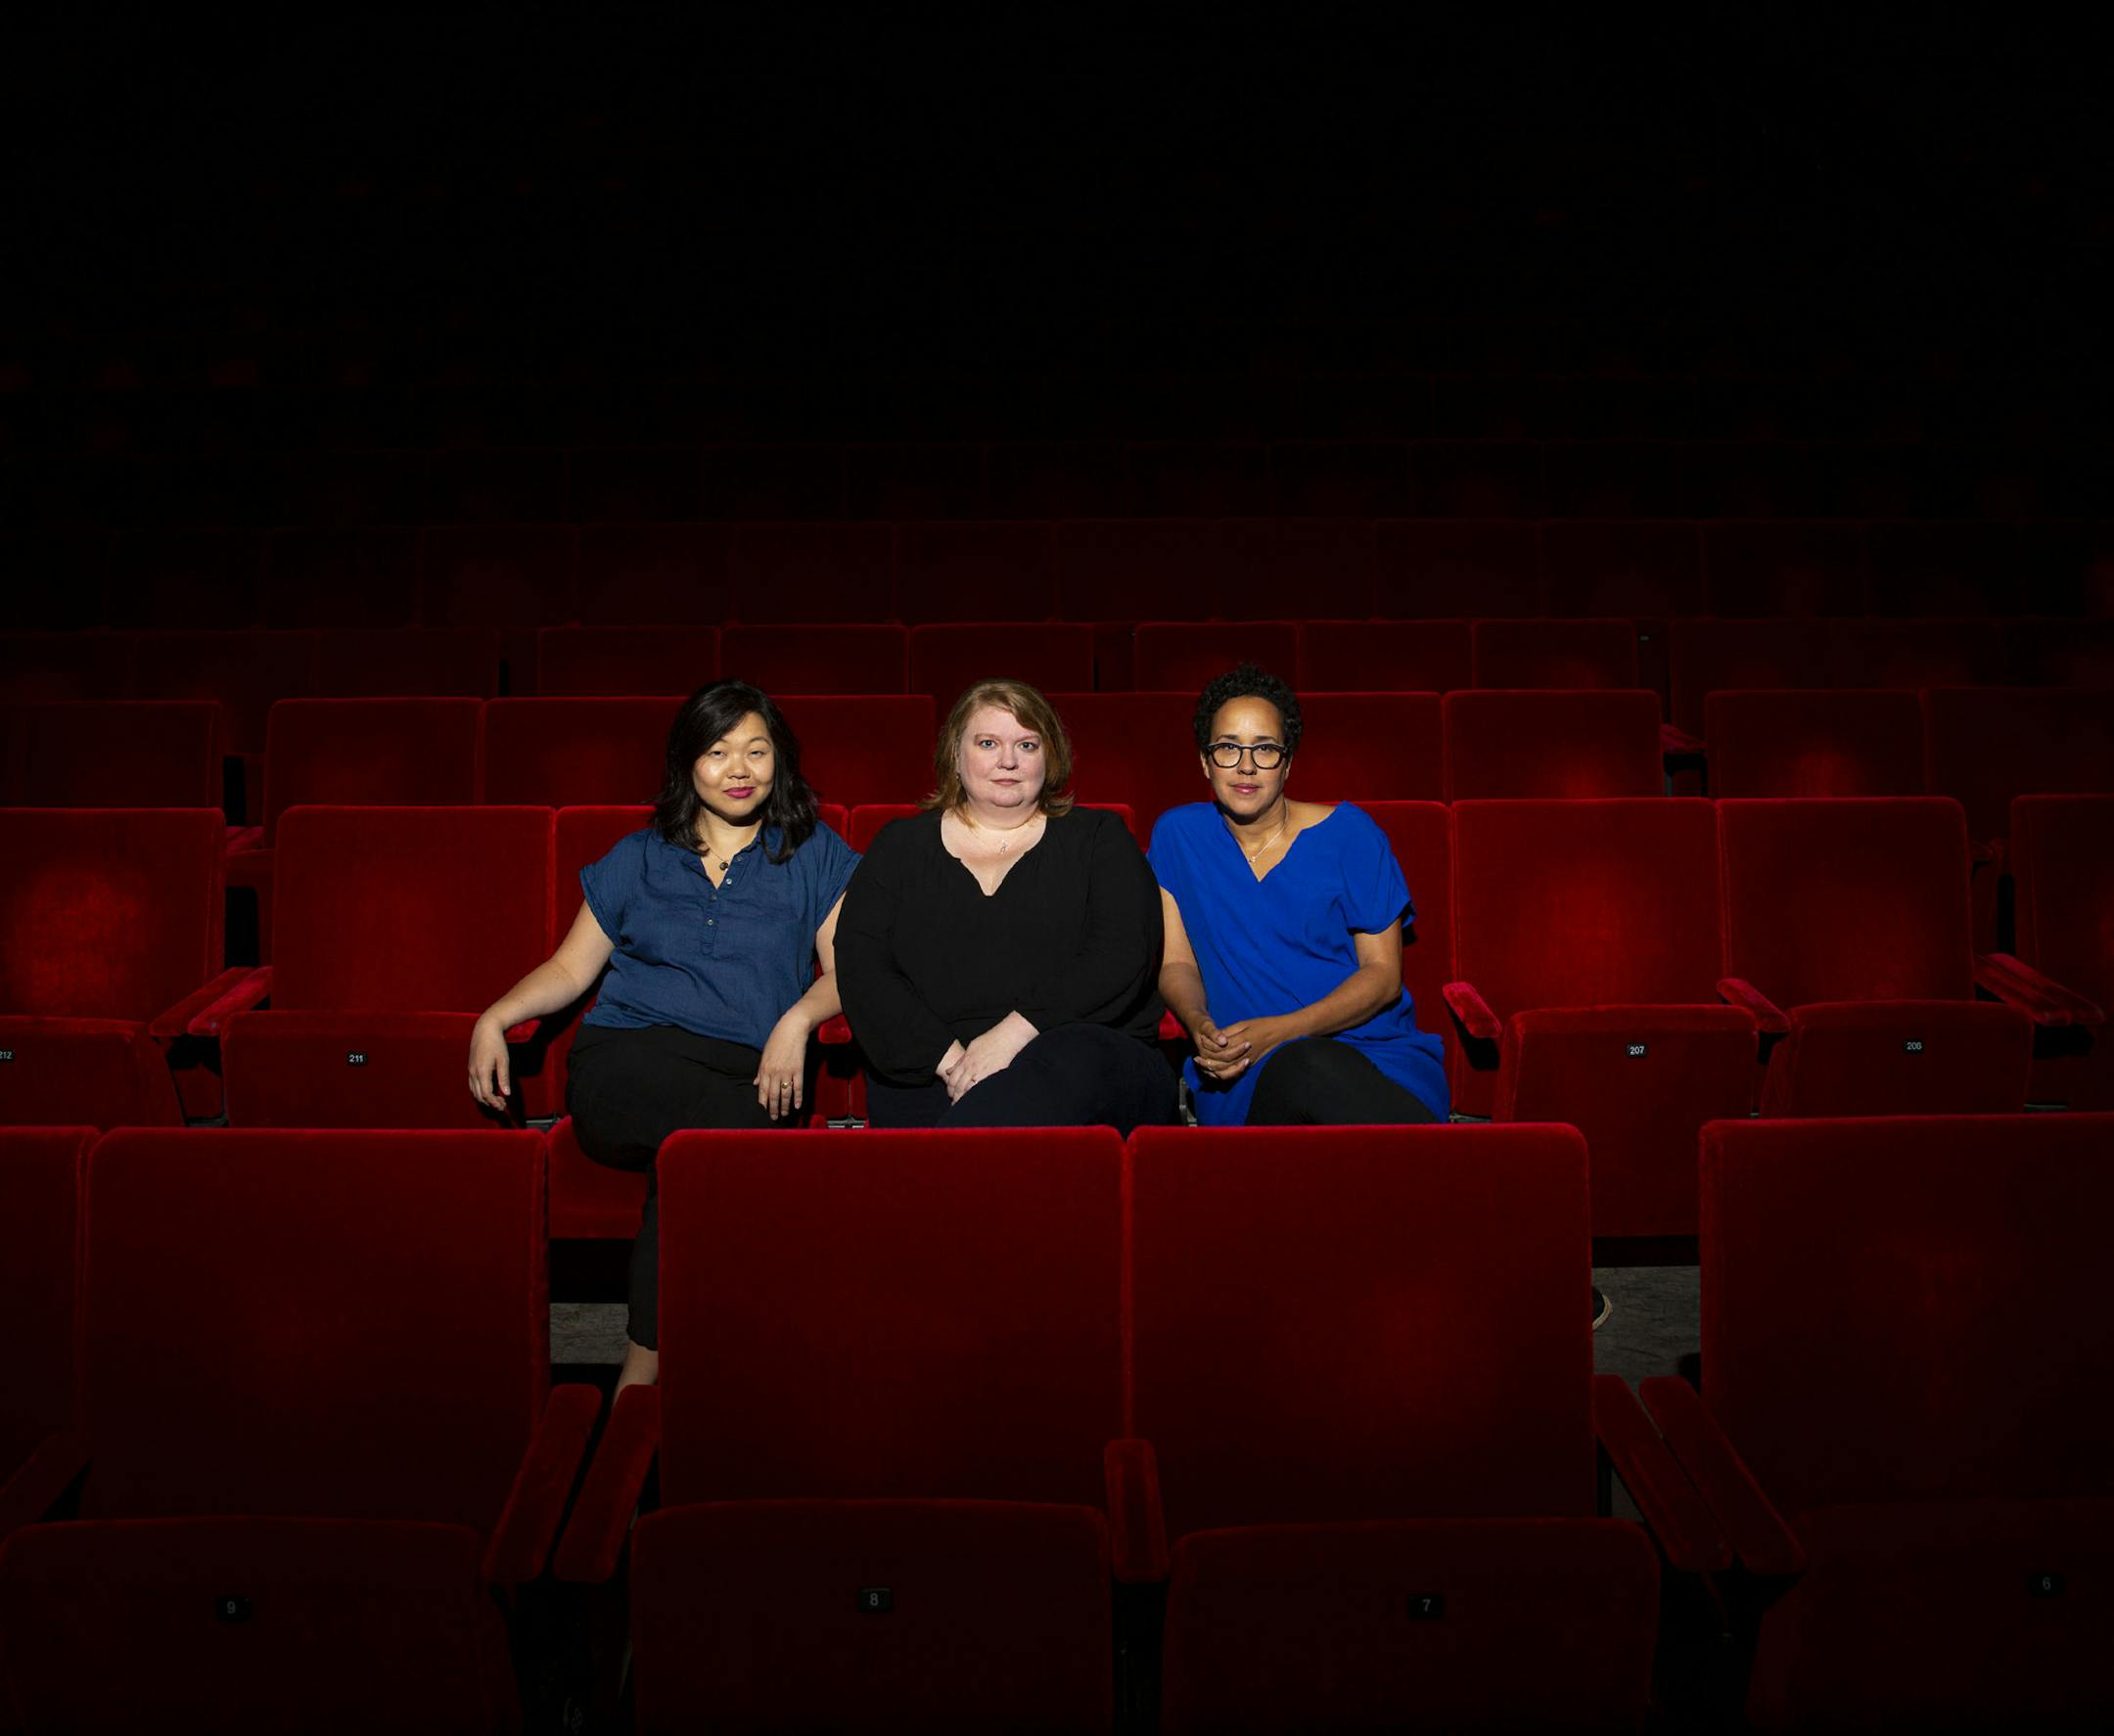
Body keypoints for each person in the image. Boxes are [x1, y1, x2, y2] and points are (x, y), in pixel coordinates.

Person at [467, 680, 857, 1392]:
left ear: (779, 761)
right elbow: (569, 968)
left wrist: (797, 1019)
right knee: (727, 1142)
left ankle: (644, 1385)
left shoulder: (813, 853)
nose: (739, 769)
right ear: (687, 762)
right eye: (718, 751)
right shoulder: (637, 856)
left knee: (693, 1157)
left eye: (756, 751)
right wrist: (494, 1016)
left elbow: (846, 972)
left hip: (749, 1073)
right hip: (627, 1063)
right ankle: (666, 1376)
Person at [835, 677, 1174, 1133]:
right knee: (918, 1116)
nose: (1008, 761)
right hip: (933, 1069)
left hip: (1085, 1057)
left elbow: (1120, 955)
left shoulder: (1100, 839)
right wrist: (956, 1063)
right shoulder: (898, 847)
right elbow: (863, 967)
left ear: (1050, 757)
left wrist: (1011, 1037)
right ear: (955, 755)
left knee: (1071, 1059)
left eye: (1027, 745)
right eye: (988, 743)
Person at [1150, 662, 1448, 1128]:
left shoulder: (1352, 835)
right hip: (1239, 1069)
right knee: (1298, 1071)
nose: (1246, 765)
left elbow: (1384, 976)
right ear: (1205, 761)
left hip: (1367, 1055)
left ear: (1287, 763)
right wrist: (1199, 1024)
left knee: (1306, 1065)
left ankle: (1440, 1159)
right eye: (1228, 747)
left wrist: (1283, 1032)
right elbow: (1176, 964)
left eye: (1265, 749)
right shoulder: (1178, 836)